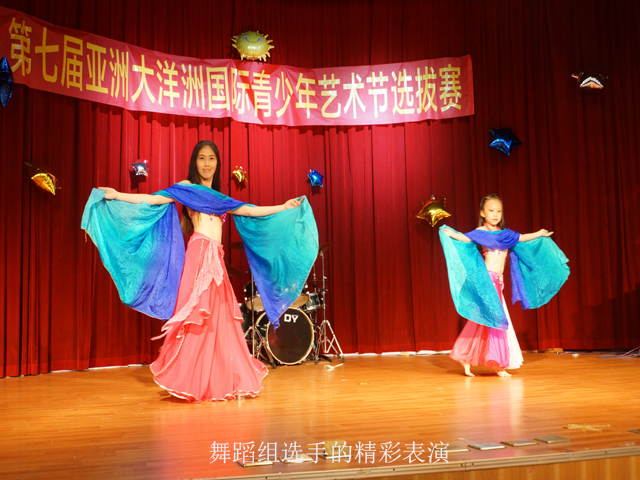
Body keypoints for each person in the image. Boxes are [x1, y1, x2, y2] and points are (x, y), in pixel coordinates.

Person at [82, 140, 319, 401]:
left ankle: (215, 381)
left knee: (218, 319)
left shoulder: (219, 197)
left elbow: (248, 210)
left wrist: (282, 207)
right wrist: (117, 195)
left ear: (217, 164)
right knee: (197, 317)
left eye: (211, 159)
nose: (207, 164)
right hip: (199, 254)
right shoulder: (187, 188)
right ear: (195, 162)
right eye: (202, 158)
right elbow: (153, 199)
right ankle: (189, 380)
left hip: (216, 256)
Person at [440, 194, 569, 377]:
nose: (495, 214)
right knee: (497, 321)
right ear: (483, 213)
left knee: (483, 320)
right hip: (487, 281)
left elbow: (521, 238)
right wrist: (451, 234)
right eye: (491, 210)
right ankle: (497, 364)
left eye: (498, 211)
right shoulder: (481, 231)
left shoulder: (505, 235)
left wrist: (539, 233)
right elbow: (466, 238)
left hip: (498, 282)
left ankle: (463, 355)